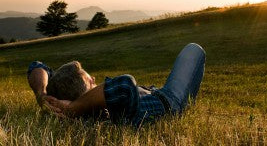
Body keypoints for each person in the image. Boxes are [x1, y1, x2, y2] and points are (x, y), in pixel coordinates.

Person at [27, 43, 206, 127]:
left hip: (152, 92)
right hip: (170, 101)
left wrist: (41, 94)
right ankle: (185, 103)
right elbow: (125, 84)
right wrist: (74, 108)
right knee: (193, 50)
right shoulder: (110, 110)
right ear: (83, 96)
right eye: (91, 81)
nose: (96, 80)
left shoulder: (60, 94)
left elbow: (37, 66)